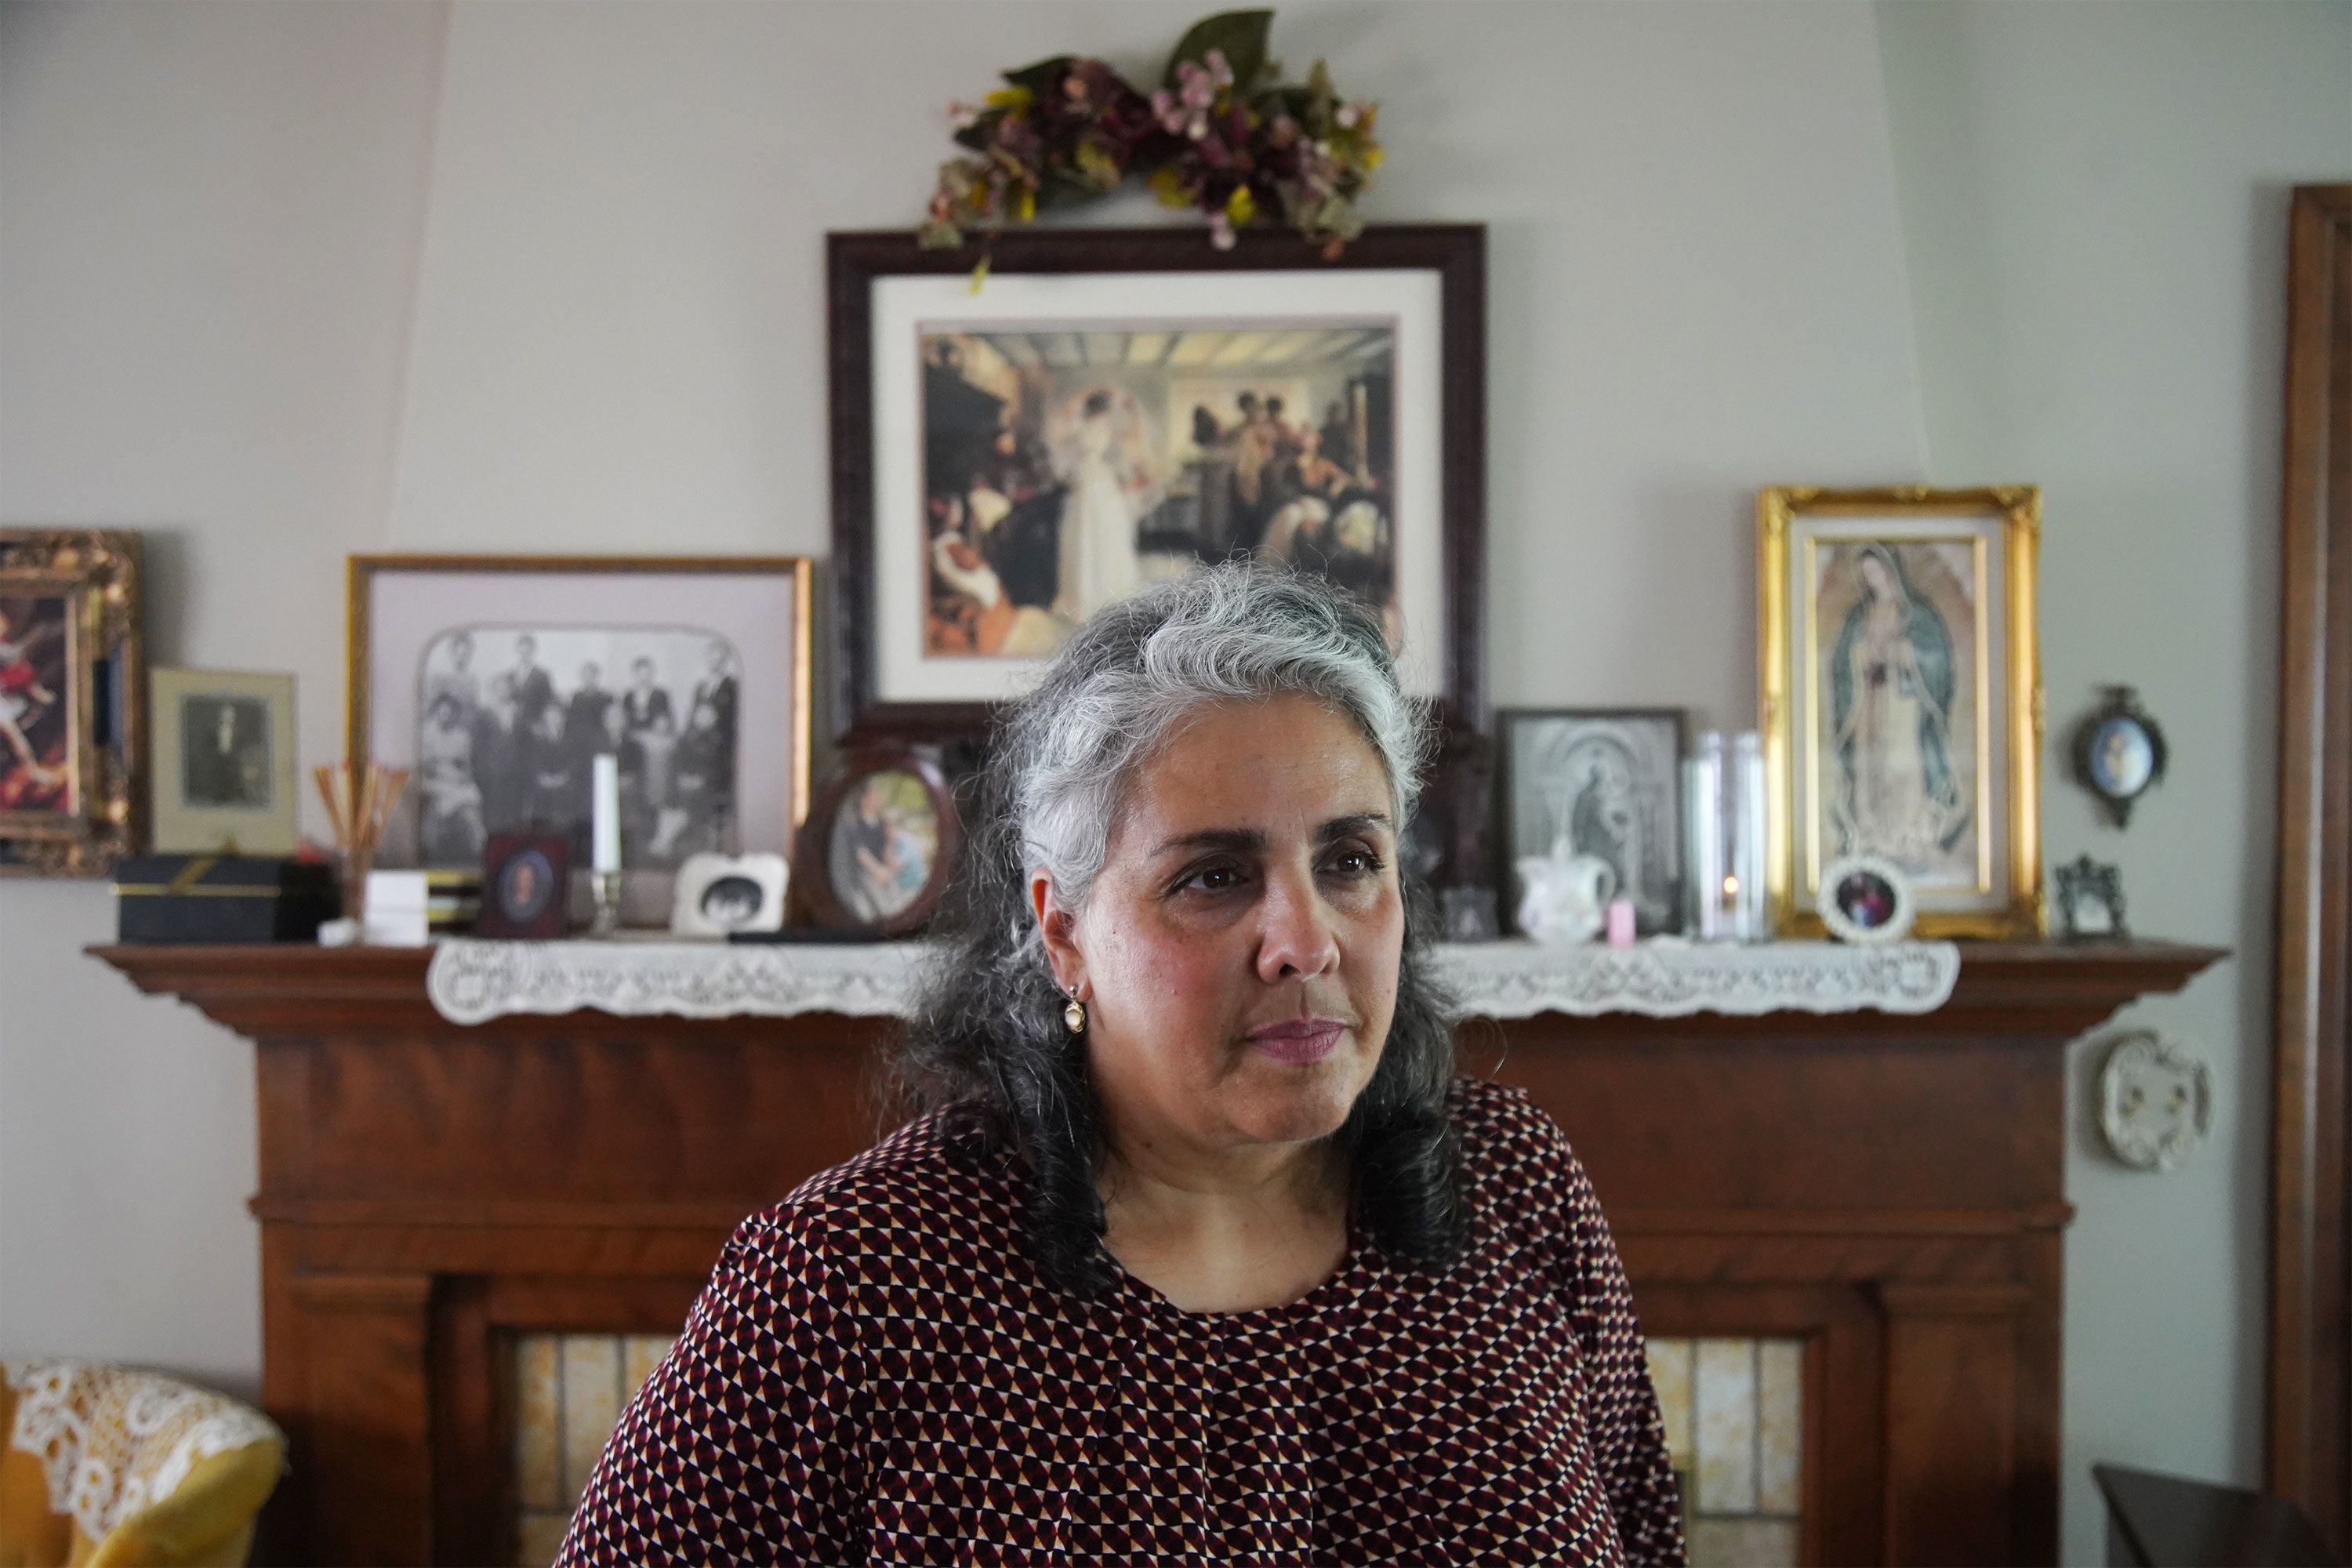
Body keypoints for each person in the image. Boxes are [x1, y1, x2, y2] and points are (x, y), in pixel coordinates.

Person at [561, 566, 1685, 1565]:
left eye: (1351, 859)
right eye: (1212, 878)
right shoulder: (852, 1283)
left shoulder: (1516, 1190)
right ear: (1064, 933)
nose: (1307, 940)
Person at [1828, 544, 1966, 868]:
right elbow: (1841, 662)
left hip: (1904, 703)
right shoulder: (1859, 617)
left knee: (1901, 764)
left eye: (1876, 572)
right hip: (1869, 703)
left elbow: (1938, 659)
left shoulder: (1918, 615)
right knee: (1871, 765)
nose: (1871, 579)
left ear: (1891, 572)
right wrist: (1861, 654)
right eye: (1866, 575)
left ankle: (1907, 836)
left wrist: (1905, 652)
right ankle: (1873, 835)